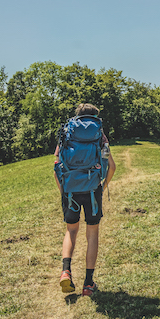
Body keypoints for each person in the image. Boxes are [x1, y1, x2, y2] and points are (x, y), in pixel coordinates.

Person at [54, 103, 116, 296]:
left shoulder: (68, 132)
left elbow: (57, 163)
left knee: (71, 230)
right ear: (95, 117)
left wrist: (64, 190)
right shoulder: (100, 135)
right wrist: (101, 187)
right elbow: (111, 166)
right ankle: (88, 284)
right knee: (92, 234)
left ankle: (66, 271)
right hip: (93, 191)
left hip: (70, 190)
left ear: (77, 116)